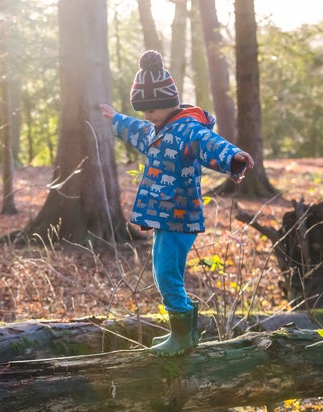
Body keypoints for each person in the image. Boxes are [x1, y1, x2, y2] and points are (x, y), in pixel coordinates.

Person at [100, 50, 254, 357]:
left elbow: (211, 143)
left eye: (150, 110)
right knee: (162, 273)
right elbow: (136, 130)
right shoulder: (158, 130)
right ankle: (181, 331)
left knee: (168, 274)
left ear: (167, 103)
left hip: (179, 217)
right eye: (143, 111)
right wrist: (116, 119)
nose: (146, 117)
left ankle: (184, 335)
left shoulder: (187, 130)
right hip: (164, 217)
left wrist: (232, 156)